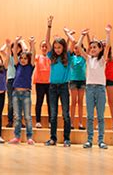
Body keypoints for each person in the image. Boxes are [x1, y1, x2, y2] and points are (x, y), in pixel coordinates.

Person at [44, 16, 72, 147]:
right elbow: (46, 41)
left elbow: (74, 42)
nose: (57, 49)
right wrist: (49, 26)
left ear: (63, 48)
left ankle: (66, 138)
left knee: (65, 113)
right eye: (55, 47)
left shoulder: (68, 57)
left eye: (59, 47)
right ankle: (53, 138)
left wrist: (68, 34)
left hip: (64, 87)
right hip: (53, 87)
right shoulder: (52, 56)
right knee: (53, 114)